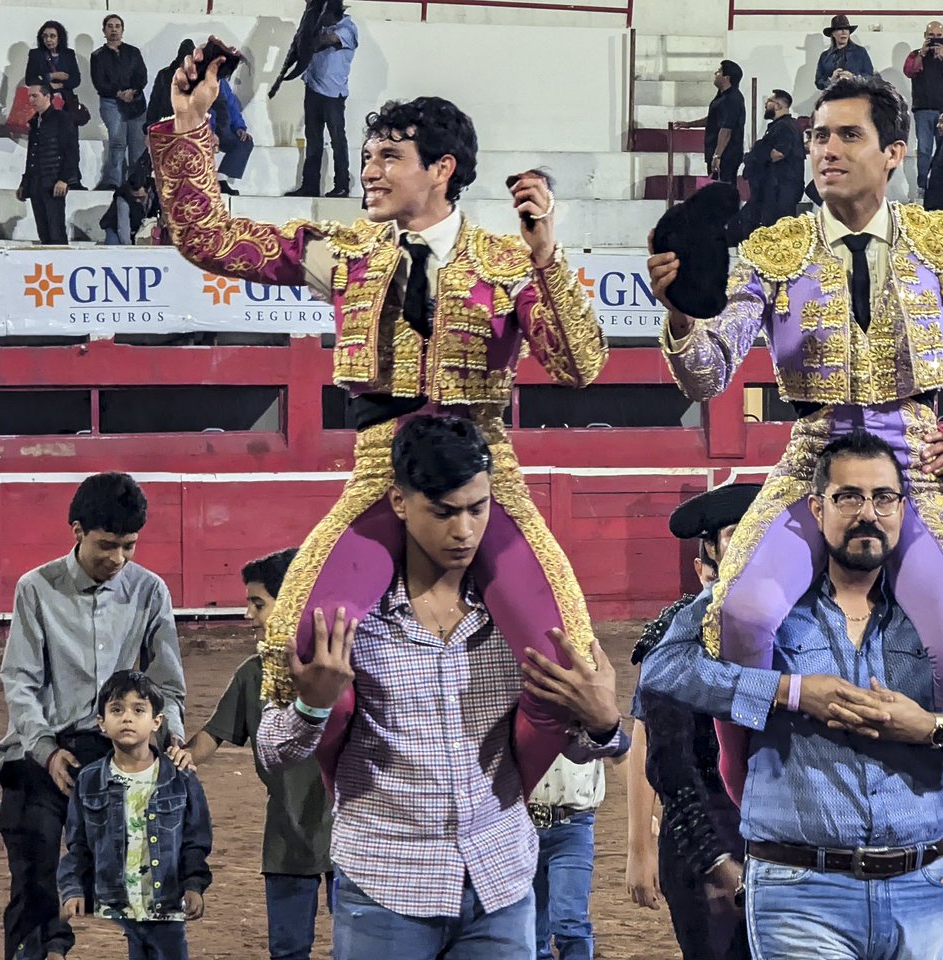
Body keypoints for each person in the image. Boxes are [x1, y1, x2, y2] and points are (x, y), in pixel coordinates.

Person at [151, 49, 608, 797]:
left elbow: (579, 366)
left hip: (481, 471)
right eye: (366, 156)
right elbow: (208, 239)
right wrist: (191, 123)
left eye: (389, 156)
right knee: (297, 640)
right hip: (380, 472)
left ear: (442, 168)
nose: (368, 170)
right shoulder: (344, 252)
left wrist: (548, 254)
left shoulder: (509, 260)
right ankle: (354, 790)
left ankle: (500, 796)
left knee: (569, 661)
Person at [647, 74, 943, 805]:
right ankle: (746, 784)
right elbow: (708, 374)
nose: (827, 150)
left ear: (894, 153)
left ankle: (924, 791)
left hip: (913, 458)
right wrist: (682, 319)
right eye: (819, 136)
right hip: (813, 456)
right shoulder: (773, 250)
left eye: (848, 136)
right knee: (740, 617)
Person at [638, 430, 943, 960]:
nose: (868, 513)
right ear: (817, 507)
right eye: (848, 497)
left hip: (920, 887)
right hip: (800, 890)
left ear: (903, 509)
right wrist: (788, 692)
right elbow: (663, 669)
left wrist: (932, 728)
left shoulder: (941, 616)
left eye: (884, 498)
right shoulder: (763, 599)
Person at [255, 414, 628, 960]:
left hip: (500, 884)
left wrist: (603, 723)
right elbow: (273, 750)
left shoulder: (519, 619)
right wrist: (312, 705)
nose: (464, 531)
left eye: (478, 509)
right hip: (384, 891)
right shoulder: (351, 621)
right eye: (444, 512)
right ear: (399, 503)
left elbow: (598, 743)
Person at [0, 472, 187, 960]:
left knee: (148, 867)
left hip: (118, 747)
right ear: (77, 530)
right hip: (41, 749)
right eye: (107, 545)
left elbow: (167, 685)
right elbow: (20, 681)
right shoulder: (36, 588)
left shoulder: (150, 591)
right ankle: (39, 951)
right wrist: (46, 751)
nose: (118, 559)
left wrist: (172, 740)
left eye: (129, 546)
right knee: (35, 857)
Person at [167, 548, 333, 960]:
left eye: (258, 603)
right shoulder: (252, 674)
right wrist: (182, 755)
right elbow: (212, 736)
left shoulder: (339, 669)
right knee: (289, 950)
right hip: (287, 836)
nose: (248, 614)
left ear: (294, 600)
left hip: (347, 835)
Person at [630, 484, 761, 960]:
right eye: (735, 534)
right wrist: (712, 860)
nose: (751, 543)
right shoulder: (678, 634)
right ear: (709, 551)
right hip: (711, 827)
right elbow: (669, 762)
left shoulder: (805, 619)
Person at [57, 672, 211, 960]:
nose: (127, 718)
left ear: (157, 721)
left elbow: (195, 841)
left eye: (138, 709)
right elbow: (78, 846)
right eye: (117, 710)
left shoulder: (180, 778)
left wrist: (193, 886)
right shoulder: (89, 781)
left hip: (165, 909)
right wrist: (73, 889)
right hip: (113, 911)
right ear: (101, 722)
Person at [529, 755, 607, 960]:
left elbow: (621, 752)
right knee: (529, 931)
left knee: (570, 922)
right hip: (520, 825)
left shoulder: (592, 723)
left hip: (573, 823)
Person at [284, 0, 358, 197]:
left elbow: (315, 44)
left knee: (337, 140)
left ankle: (342, 185)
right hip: (313, 88)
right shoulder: (319, 25)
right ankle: (310, 185)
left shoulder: (347, 28)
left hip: (333, 94)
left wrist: (309, 26)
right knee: (313, 140)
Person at [730, 89, 804, 241]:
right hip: (774, 188)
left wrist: (756, 156)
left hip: (781, 189)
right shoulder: (779, 126)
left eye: (769, 101)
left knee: (780, 230)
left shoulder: (785, 127)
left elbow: (778, 153)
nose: (765, 104)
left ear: (777, 106)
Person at [904, 21, 943, 198]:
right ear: (925, 36)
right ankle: (923, 186)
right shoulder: (915, 54)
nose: (935, 40)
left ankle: (942, 185)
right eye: (932, 36)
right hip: (923, 109)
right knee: (924, 150)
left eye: (939, 36)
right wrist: (922, 54)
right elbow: (909, 71)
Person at [16, 83, 80, 245]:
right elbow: (31, 156)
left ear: (47, 96)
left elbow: (72, 151)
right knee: (43, 231)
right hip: (36, 181)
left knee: (56, 231)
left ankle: (60, 267)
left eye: (35, 96)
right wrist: (25, 183)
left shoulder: (61, 118)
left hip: (53, 181)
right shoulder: (35, 122)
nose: (31, 100)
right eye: (29, 96)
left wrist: (65, 179)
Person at [91, 14, 147, 190]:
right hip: (111, 103)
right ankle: (114, 182)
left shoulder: (133, 52)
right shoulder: (98, 56)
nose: (113, 29)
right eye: (110, 26)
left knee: (137, 146)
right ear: (104, 30)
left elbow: (141, 76)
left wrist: (133, 91)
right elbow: (99, 82)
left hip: (135, 103)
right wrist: (118, 93)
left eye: (117, 26)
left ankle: (136, 183)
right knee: (117, 143)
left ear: (122, 29)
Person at [674, 60, 746, 184]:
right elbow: (713, 119)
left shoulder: (732, 99)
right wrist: (689, 124)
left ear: (726, 77)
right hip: (716, 151)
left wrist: (717, 155)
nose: (715, 73)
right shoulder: (721, 96)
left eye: (719, 71)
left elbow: (726, 130)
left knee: (724, 189)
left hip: (727, 155)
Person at [102, 157, 160, 245]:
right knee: (113, 246)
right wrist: (129, 249)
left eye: (141, 198)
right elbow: (123, 227)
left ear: (148, 191)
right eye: (134, 197)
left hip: (141, 227)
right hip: (116, 227)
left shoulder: (157, 192)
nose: (137, 200)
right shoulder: (123, 197)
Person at [212, 76, 254, 194]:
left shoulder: (222, 83)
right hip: (202, 129)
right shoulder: (198, 79)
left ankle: (221, 179)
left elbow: (232, 106)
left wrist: (239, 127)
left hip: (223, 129)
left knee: (244, 142)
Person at [26, 21, 81, 104]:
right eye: (45, 36)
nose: (48, 39)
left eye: (52, 36)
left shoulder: (69, 54)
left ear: (60, 38)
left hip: (65, 100)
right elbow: (30, 80)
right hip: (43, 100)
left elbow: (76, 79)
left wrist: (60, 85)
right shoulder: (35, 54)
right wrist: (51, 76)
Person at [816, 15, 875, 90]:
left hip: (855, 97)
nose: (844, 32)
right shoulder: (825, 56)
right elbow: (818, 82)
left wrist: (853, 77)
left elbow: (870, 77)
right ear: (833, 34)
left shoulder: (860, 52)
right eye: (839, 29)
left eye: (846, 29)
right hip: (833, 98)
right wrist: (831, 80)